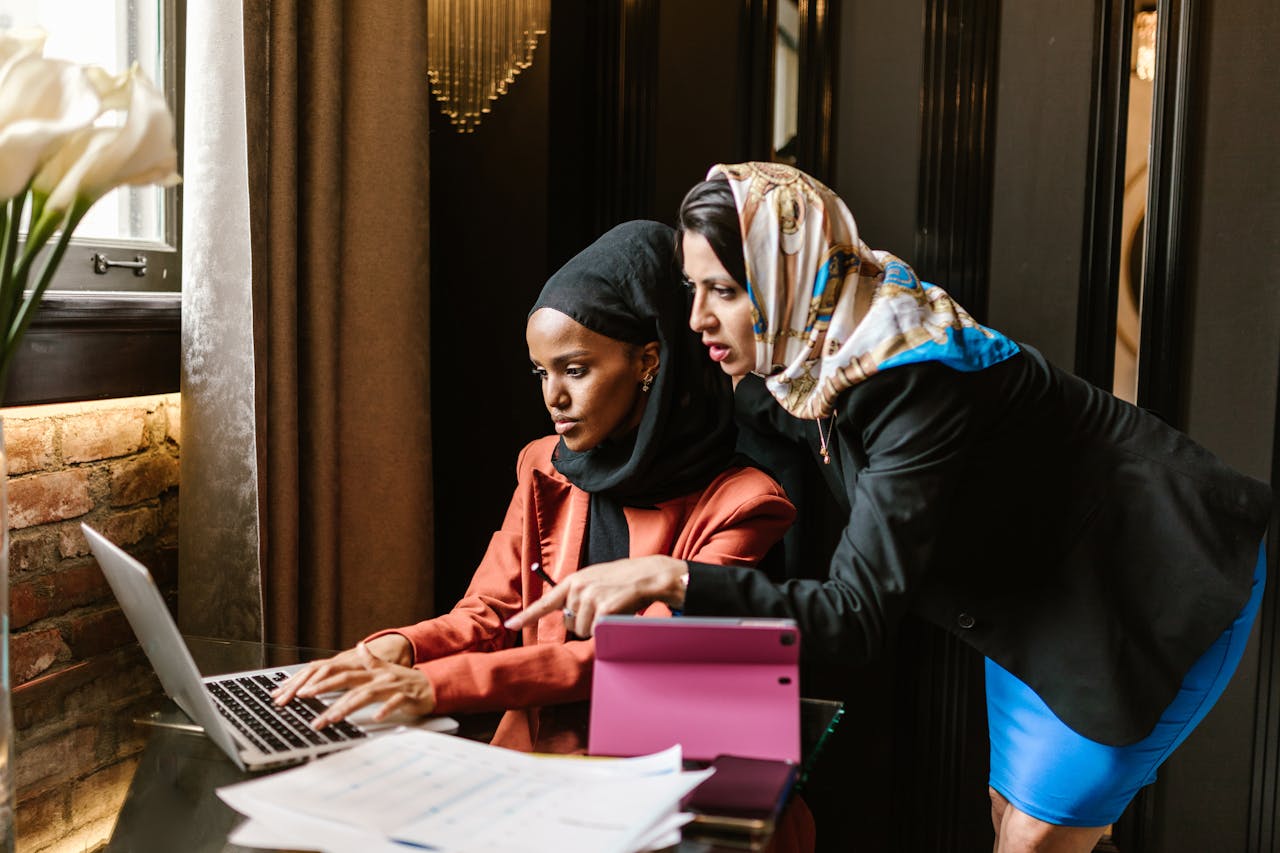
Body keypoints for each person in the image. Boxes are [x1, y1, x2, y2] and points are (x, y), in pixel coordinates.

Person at [507, 163, 1272, 850]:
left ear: (786, 275)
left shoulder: (912, 383)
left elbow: (855, 615)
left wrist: (666, 578)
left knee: (1036, 837)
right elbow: (727, 400)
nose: (699, 317)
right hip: (1035, 594)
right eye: (691, 289)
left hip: (1145, 580)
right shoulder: (812, 352)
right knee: (1011, 813)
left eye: (725, 291)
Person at [273, 219, 794, 751]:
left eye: (574, 370)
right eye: (540, 373)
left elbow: (637, 656)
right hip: (528, 762)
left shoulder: (746, 503)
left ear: (648, 360)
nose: (553, 398)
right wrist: (397, 649)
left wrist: (431, 685)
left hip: (660, 775)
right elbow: (489, 614)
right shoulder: (544, 465)